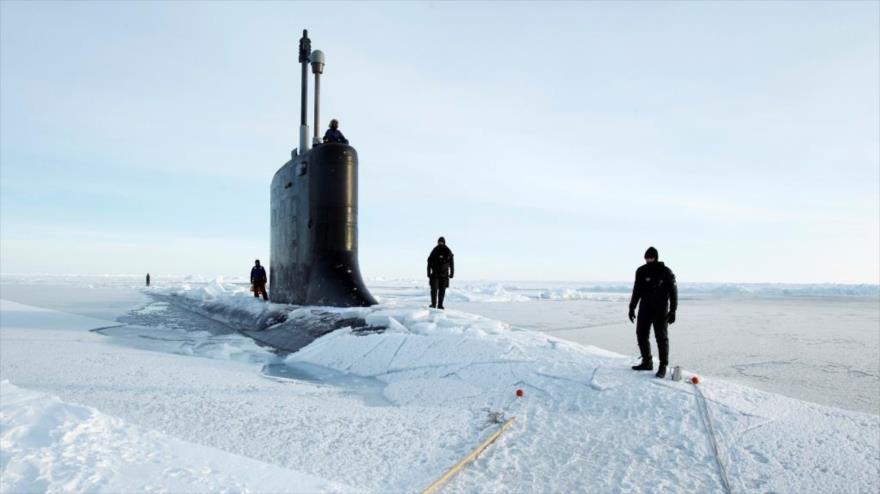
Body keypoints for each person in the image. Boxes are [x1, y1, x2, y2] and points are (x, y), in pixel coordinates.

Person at [628, 246, 677, 378]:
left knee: (661, 337)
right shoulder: (641, 271)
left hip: (660, 309)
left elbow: (673, 292)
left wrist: (673, 310)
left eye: (651, 257)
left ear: (656, 257)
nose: (648, 260)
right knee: (641, 334)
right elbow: (636, 290)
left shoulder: (665, 272)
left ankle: (663, 366)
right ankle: (647, 361)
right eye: (646, 258)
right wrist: (632, 307)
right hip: (645, 307)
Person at [427, 237, 454, 309]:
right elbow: (429, 261)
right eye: (439, 242)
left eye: (441, 242)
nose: (440, 243)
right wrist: (428, 272)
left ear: (444, 242)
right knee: (434, 290)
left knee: (442, 290)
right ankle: (433, 304)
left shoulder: (448, 251)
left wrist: (452, 273)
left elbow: (451, 263)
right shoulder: (434, 250)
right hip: (435, 274)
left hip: (444, 275)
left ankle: (440, 305)